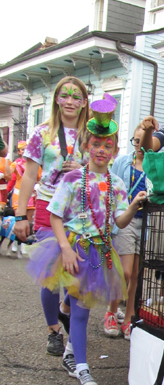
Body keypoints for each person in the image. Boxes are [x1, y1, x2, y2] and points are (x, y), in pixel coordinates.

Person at [26, 94, 147, 385]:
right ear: (85, 146)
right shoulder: (72, 180)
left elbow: (118, 222)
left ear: (115, 150)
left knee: (81, 308)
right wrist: (65, 249)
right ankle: (82, 369)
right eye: (96, 144)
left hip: (100, 254)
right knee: (79, 310)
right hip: (72, 249)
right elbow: (55, 216)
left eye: (107, 146)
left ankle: (72, 353)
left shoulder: (117, 185)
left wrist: (132, 206)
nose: (101, 150)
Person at [14, 77, 90, 356]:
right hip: (48, 207)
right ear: (57, 99)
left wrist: (82, 167)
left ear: (84, 102)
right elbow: (29, 176)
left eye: (76, 96)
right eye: (65, 95)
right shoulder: (42, 133)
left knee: (81, 270)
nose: (70, 101)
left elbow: (101, 169)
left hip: (81, 210)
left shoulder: (91, 135)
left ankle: (66, 309)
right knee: (51, 275)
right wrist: (21, 215)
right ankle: (54, 331)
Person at [105, 122, 147, 339]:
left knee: (138, 275)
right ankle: (111, 311)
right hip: (125, 220)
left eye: (144, 141)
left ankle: (129, 318)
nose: (140, 146)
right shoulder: (122, 162)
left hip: (146, 223)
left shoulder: (153, 163)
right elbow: (109, 186)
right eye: (136, 141)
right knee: (124, 271)